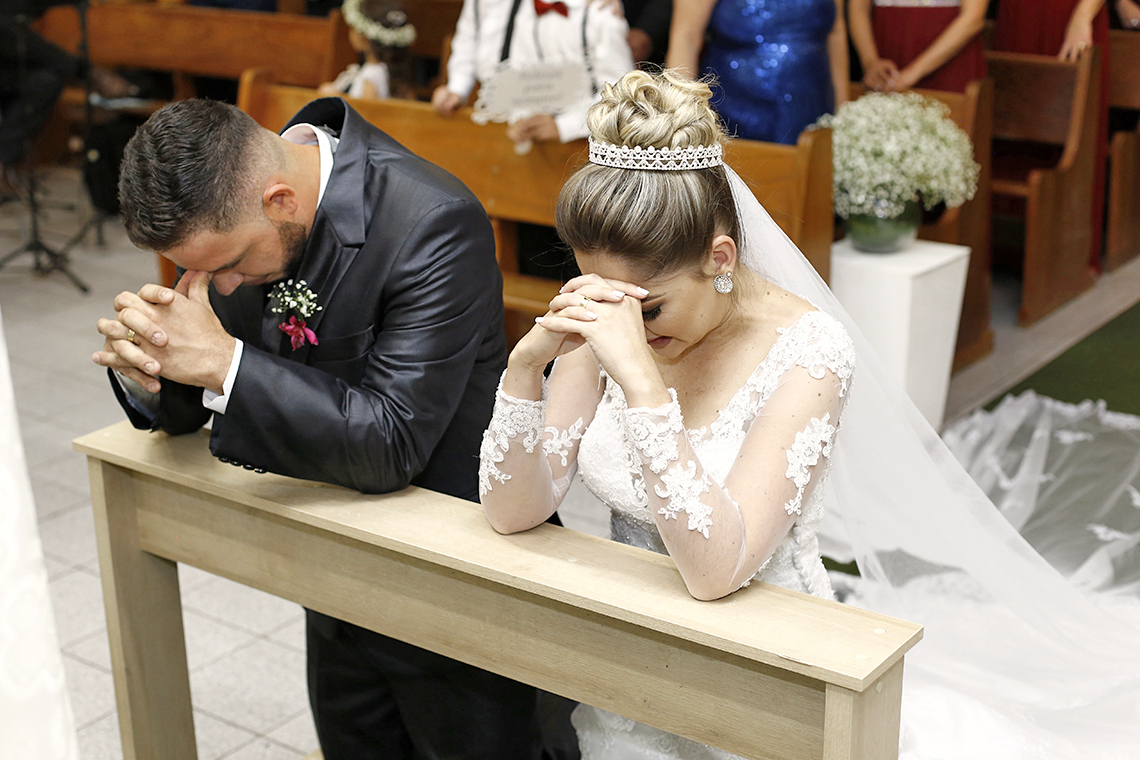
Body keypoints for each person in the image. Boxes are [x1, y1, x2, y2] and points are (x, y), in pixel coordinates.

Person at [479, 69, 1140, 759]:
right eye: (607, 298)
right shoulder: (615, 316)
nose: (629, 331)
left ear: (721, 258)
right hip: (634, 655)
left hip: (770, 667)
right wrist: (525, 369)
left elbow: (716, 571)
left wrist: (644, 389)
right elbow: (513, 511)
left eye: (649, 310)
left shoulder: (808, 349)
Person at [92, 97, 552, 760]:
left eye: (228, 265)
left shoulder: (432, 221)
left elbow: (393, 438)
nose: (219, 288)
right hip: (331, 582)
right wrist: (157, 371)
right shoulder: (247, 208)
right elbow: (234, 376)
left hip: (453, 597)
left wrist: (222, 361)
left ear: (280, 200)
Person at [994, 0, 1110, 272]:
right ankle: (1008, 243)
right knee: (1013, 118)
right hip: (1019, 14)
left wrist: (1082, 16)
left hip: (1069, 13)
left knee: (1072, 119)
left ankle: (1067, 254)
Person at [431, 0, 635, 148]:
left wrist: (563, 126)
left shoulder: (600, 11)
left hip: (583, 147)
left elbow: (623, 97)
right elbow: (525, 77)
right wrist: (457, 88)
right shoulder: (524, 11)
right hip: (520, 135)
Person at [666, 0, 848, 144]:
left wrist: (844, 116)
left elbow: (836, 32)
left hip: (813, 110)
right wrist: (678, 125)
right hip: (734, 117)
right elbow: (686, 39)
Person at [848, 0, 987, 93]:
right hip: (886, 57)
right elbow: (858, 7)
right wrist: (870, 61)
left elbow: (973, 17)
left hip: (948, 61)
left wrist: (913, 72)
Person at [319, 0, 416, 100]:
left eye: (353, 27)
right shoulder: (389, 74)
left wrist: (336, 99)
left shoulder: (371, 76)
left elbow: (366, 111)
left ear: (363, 37)